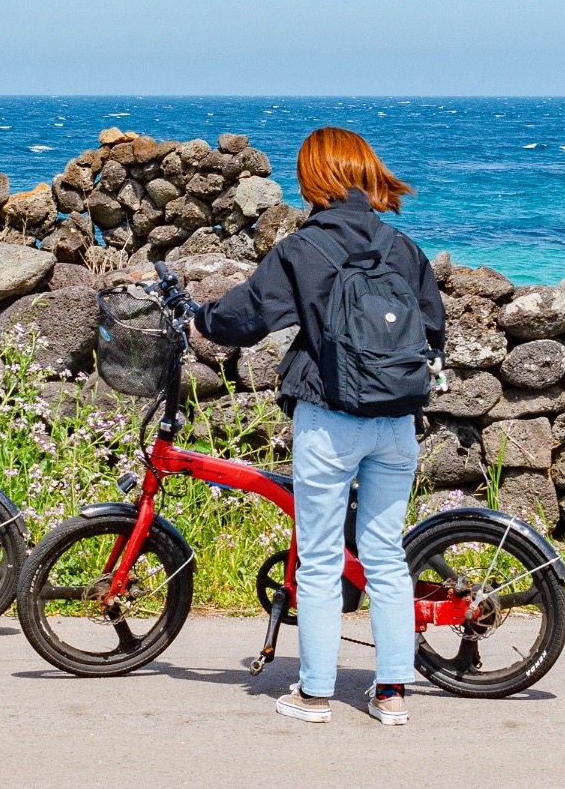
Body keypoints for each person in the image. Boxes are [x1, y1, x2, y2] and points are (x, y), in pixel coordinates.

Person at [193, 127, 444, 725]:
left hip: (329, 420)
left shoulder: (303, 249)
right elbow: (433, 331)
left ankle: (314, 693)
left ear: (315, 179)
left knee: (322, 559)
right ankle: (392, 693)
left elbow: (245, 318)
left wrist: (199, 317)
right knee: (385, 556)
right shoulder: (402, 248)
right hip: (396, 423)